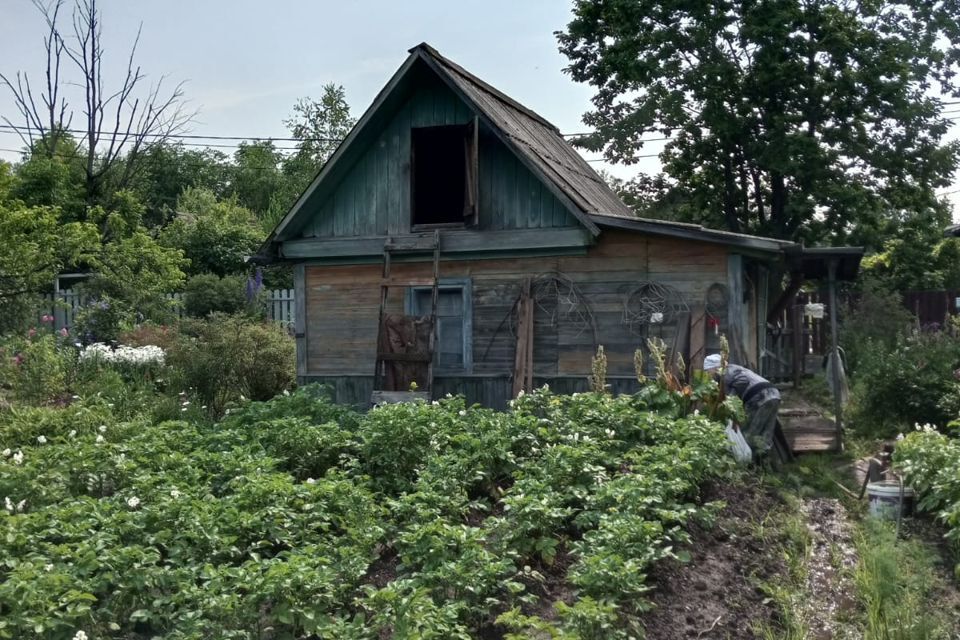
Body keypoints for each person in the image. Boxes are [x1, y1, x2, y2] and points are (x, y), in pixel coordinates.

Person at [703, 354, 781, 455]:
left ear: (715, 368)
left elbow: (742, 381)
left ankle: (748, 462)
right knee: (766, 433)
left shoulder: (724, 373)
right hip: (773, 393)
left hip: (759, 396)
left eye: (708, 371)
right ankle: (766, 463)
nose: (708, 375)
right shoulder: (734, 369)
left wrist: (731, 400)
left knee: (749, 433)